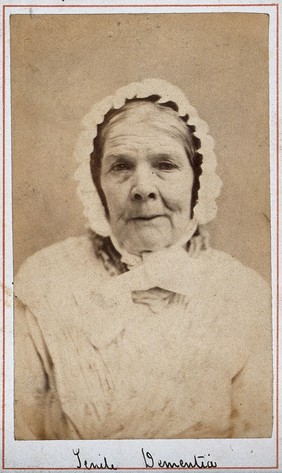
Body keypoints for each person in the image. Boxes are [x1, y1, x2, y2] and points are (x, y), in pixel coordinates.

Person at [14, 78, 273, 440]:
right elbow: (18, 437)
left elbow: (257, 443)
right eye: (121, 166)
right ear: (97, 185)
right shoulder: (46, 281)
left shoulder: (243, 295)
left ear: (196, 182)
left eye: (165, 165)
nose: (143, 188)